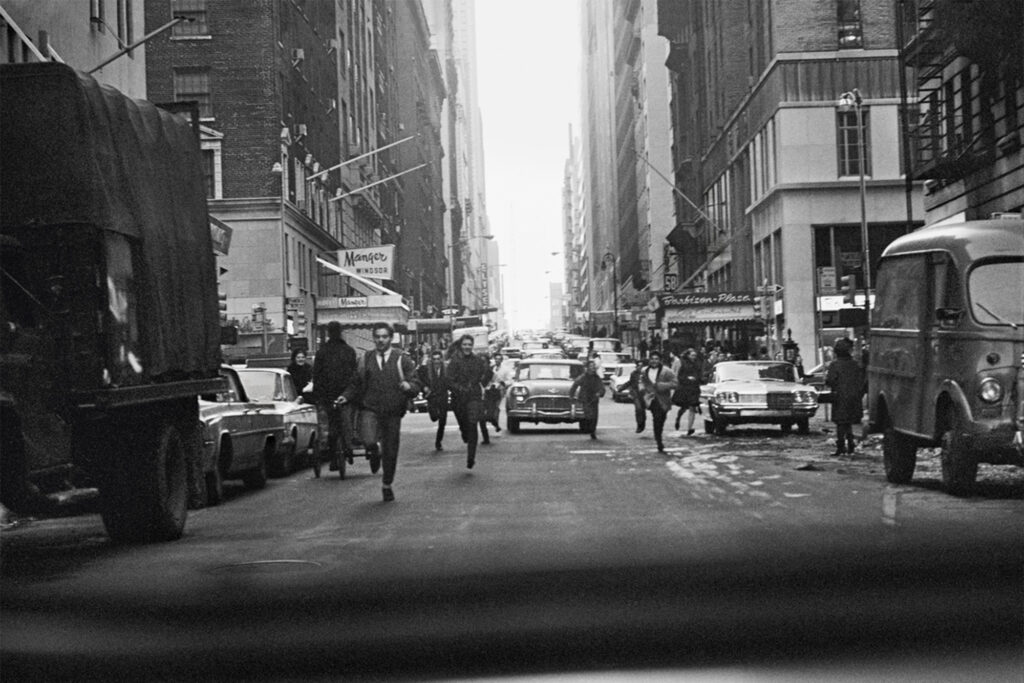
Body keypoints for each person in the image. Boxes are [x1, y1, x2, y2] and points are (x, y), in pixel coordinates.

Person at [346, 322, 421, 502]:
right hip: (370, 408)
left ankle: (387, 484)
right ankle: (373, 451)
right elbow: (355, 383)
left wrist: (408, 386)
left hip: (393, 411)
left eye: (384, 337)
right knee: (368, 439)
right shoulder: (366, 359)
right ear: (373, 338)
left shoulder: (401, 359)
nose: (380, 340)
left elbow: (416, 383)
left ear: (391, 338)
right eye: (377, 337)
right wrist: (345, 396)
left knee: (391, 450)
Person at [311, 322, 358, 471]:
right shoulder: (349, 351)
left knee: (331, 425)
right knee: (347, 421)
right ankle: (348, 447)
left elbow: (317, 376)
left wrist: (318, 395)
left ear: (329, 334)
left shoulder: (321, 352)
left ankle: (333, 457)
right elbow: (354, 375)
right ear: (341, 333)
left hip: (327, 395)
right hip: (345, 394)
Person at [447, 334, 493, 469]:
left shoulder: (478, 360)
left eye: (469, 345)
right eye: (465, 344)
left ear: (472, 346)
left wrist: (485, 379)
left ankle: (471, 457)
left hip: (473, 397)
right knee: (465, 425)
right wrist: (459, 389)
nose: (467, 347)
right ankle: (463, 431)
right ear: (461, 346)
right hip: (459, 398)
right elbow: (449, 380)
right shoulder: (454, 361)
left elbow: (485, 377)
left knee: (473, 425)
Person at [825, 337, 865, 457]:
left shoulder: (835, 365)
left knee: (841, 423)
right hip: (854, 398)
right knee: (848, 422)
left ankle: (841, 446)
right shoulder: (855, 365)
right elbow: (862, 380)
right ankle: (851, 445)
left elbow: (831, 380)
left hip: (840, 397)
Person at [638, 350, 678, 453]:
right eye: (652, 359)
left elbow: (675, 383)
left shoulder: (667, 371)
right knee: (657, 418)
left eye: (656, 359)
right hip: (651, 399)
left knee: (661, 419)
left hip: (663, 400)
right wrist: (642, 389)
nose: (654, 361)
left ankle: (658, 434)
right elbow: (641, 381)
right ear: (649, 360)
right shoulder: (644, 370)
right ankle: (658, 440)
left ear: (660, 360)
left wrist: (663, 386)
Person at [417, 349, 450, 451]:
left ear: (441, 360)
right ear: (432, 360)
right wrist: (424, 387)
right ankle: (434, 414)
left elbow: (451, 381)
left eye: (438, 359)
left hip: (443, 397)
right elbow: (418, 378)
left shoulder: (446, 370)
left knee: (442, 421)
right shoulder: (426, 369)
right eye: (434, 359)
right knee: (434, 417)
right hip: (432, 397)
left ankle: (438, 442)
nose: (436, 361)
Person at [569, 359, 606, 439]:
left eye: (593, 366)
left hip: (594, 400)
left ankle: (592, 431)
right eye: (591, 366)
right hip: (585, 399)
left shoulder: (597, 378)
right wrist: (571, 396)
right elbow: (575, 385)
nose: (592, 368)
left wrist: (599, 393)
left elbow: (602, 388)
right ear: (588, 368)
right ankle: (589, 428)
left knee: (595, 417)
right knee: (589, 416)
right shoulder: (583, 377)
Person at [671, 347, 702, 435]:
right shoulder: (682, 363)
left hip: (694, 388)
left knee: (692, 407)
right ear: (688, 355)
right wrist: (687, 378)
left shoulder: (697, 364)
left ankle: (690, 428)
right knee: (684, 407)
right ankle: (678, 418)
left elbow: (699, 374)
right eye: (692, 355)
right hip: (685, 388)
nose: (694, 357)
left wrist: (699, 379)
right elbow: (679, 376)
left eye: (695, 355)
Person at [482, 353, 510, 437]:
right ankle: (494, 422)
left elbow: (509, 380)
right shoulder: (491, 368)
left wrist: (503, 383)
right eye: (496, 359)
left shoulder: (505, 369)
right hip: (489, 390)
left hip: (499, 390)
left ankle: (496, 422)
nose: (497, 360)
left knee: (496, 407)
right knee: (489, 408)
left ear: (501, 360)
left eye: (499, 359)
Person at [627, 359, 647, 433]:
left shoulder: (646, 373)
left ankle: (642, 424)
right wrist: (621, 388)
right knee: (638, 409)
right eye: (638, 366)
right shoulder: (633, 374)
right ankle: (639, 425)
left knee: (643, 410)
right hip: (636, 394)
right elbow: (630, 382)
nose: (640, 367)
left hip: (644, 394)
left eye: (641, 366)